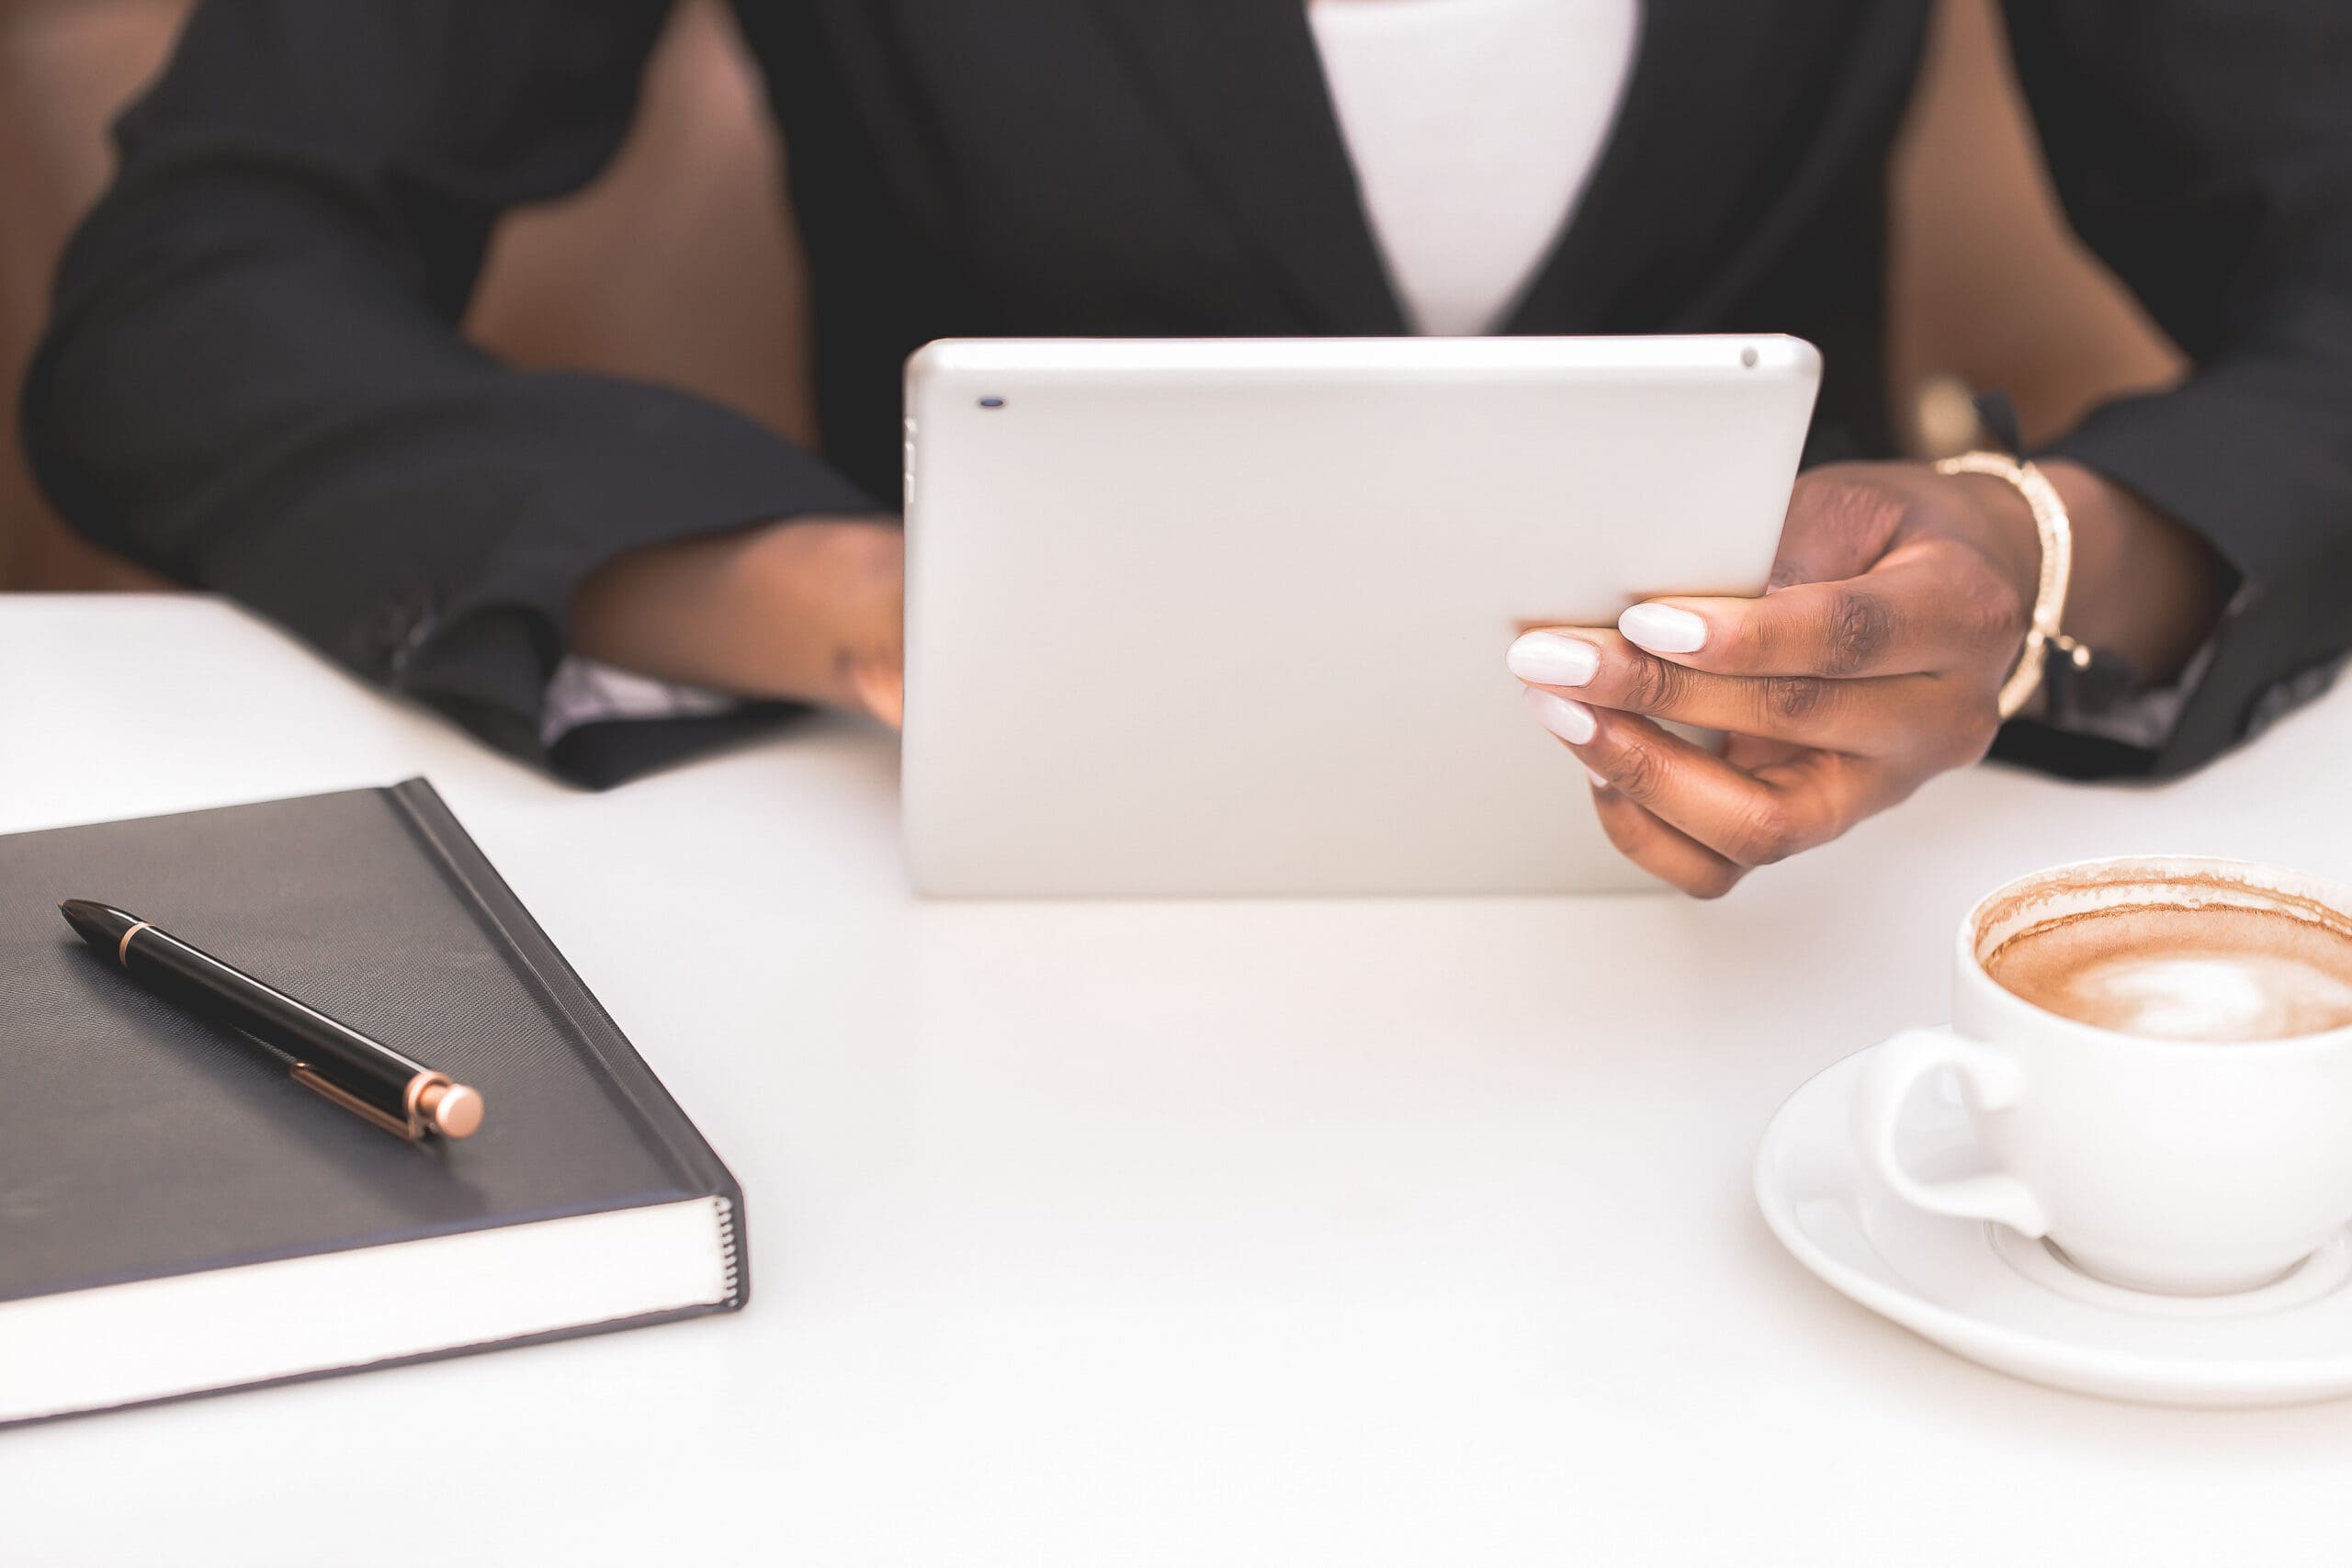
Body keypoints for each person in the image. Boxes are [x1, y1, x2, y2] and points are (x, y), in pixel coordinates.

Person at [21, 1, 2351, 897]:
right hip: (945, 934)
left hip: (1767, 920)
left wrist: (2041, 559)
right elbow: (194, 297)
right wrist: (817, 590)